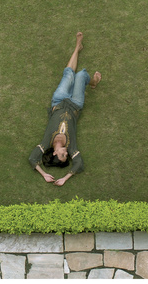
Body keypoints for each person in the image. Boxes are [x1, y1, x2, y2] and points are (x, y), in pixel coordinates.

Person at [29, 32, 101, 186]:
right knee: (81, 75)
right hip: (75, 104)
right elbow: (79, 164)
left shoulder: (45, 144)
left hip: (58, 101)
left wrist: (43, 174)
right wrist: (65, 178)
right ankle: (92, 82)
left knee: (68, 73)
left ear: (55, 153)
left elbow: (32, 159)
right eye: (65, 156)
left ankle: (77, 47)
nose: (66, 153)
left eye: (62, 155)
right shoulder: (71, 146)